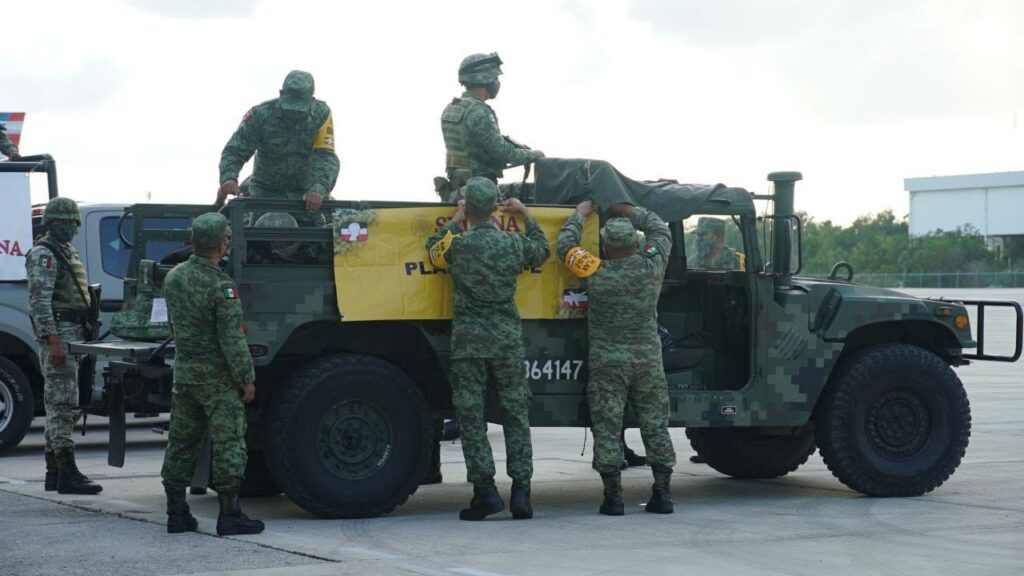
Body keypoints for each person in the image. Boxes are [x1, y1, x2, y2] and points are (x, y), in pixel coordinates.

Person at [425, 177, 549, 520]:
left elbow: (432, 247)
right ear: (495, 207)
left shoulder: (458, 246)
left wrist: (454, 219)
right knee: (515, 417)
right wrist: (525, 214)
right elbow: (542, 248)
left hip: (469, 344)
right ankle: (522, 493)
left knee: (472, 420)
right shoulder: (512, 245)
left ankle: (485, 493)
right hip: (507, 342)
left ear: (468, 208)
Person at [557, 200, 677, 516]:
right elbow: (661, 230)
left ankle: (613, 498)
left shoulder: (595, 270)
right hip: (647, 360)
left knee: (608, 426)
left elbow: (566, 245)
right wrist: (630, 210)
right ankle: (663, 496)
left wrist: (580, 215)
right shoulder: (651, 267)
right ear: (636, 245)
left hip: (608, 363)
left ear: (606, 249)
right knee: (655, 425)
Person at [160, 212, 264, 536]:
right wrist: (246, 378)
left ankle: (176, 513)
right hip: (217, 379)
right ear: (222, 244)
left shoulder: (174, 277)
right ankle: (230, 514)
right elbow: (231, 338)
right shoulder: (222, 286)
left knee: (180, 443)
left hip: (185, 375)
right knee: (229, 443)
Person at [26, 197, 102, 495]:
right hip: (61, 337)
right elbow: (39, 302)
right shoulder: (44, 254)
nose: (72, 228)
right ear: (53, 223)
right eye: (68, 223)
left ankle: (54, 472)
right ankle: (67, 473)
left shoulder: (64, 250)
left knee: (64, 404)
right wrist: (53, 341)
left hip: (73, 336)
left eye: (75, 223)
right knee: (62, 406)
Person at [216, 70, 340, 220]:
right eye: (290, 107)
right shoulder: (260, 115)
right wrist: (229, 178)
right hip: (264, 196)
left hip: (306, 198)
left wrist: (318, 189)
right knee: (254, 237)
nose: (294, 114)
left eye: (299, 109)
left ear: (311, 100)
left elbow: (326, 157)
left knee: (318, 236)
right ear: (281, 94)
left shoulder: (322, 115)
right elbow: (235, 150)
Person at [437, 52, 544, 202]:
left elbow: (472, 150)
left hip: (457, 193)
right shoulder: (479, 111)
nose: (497, 83)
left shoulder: (452, 108)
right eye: (495, 78)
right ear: (484, 79)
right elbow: (501, 152)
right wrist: (532, 155)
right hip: (480, 195)